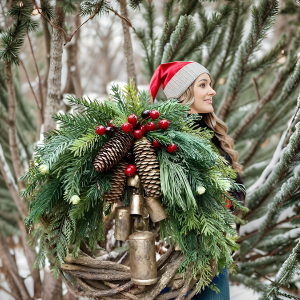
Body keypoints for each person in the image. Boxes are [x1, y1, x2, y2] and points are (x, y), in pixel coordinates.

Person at [149, 61, 245, 300]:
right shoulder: (167, 139)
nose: (212, 91)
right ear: (184, 93)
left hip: (214, 254)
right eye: (203, 85)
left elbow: (234, 188)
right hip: (177, 255)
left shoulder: (213, 136)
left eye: (210, 84)